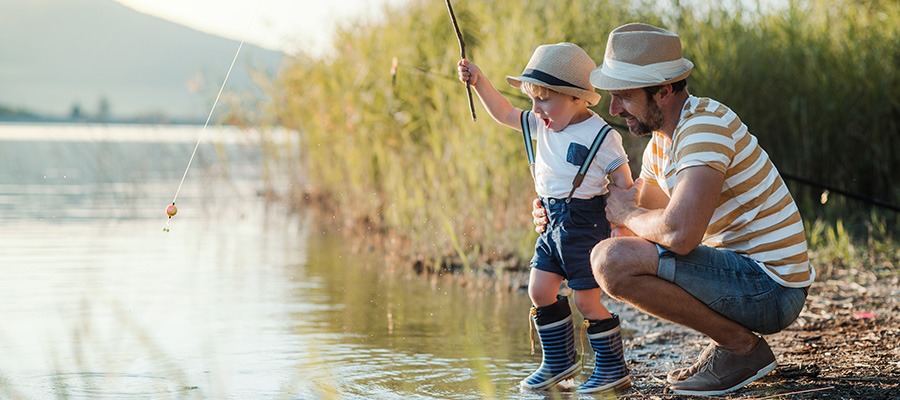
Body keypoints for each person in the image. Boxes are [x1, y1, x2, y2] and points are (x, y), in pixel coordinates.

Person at [531, 23, 815, 396]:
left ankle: (740, 348)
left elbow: (678, 234)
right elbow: (634, 224)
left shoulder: (704, 128)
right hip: (744, 275)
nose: (614, 108)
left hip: (772, 289)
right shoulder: (660, 146)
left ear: (663, 92)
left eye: (624, 97)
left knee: (610, 262)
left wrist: (626, 215)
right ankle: (732, 345)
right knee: (612, 255)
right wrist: (560, 213)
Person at [457, 42, 634, 393]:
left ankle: (613, 367)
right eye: (532, 99)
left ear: (575, 98)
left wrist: (622, 230)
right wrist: (478, 81)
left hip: (586, 226)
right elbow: (506, 113)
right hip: (552, 225)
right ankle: (559, 363)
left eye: (543, 98)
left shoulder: (602, 137)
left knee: (586, 299)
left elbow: (624, 187)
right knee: (539, 289)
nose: (535, 109)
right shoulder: (542, 125)